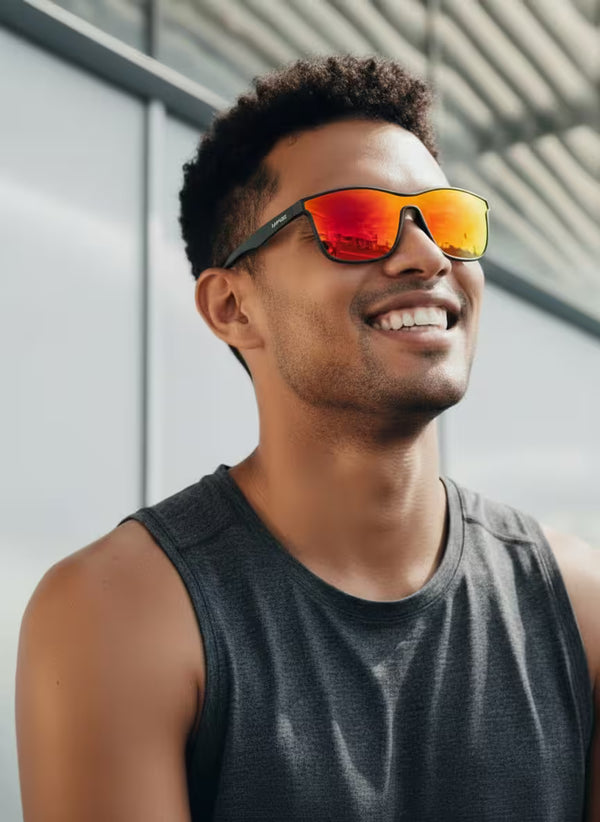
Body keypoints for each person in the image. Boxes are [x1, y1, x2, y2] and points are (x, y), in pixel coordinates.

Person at [15, 55, 599, 822]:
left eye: (451, 222)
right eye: (354, 224)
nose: (429, 257)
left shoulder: (577, 608)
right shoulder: (120, 615)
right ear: (232, 307)